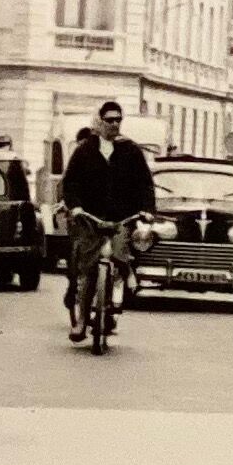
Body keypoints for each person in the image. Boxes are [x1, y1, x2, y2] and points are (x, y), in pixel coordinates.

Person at [58, 97, 157, 333]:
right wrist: (76, 207)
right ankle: (82, 320)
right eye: (109, 120)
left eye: (118, 120)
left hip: (121, 218)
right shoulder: (85, 151)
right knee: (87, 268)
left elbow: (145, 183)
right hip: (91, 218)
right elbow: (70, 183)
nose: (114, 124)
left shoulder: (131, 150)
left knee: (120, 254)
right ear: (99, 122)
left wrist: (147, 210)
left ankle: (118, 292)